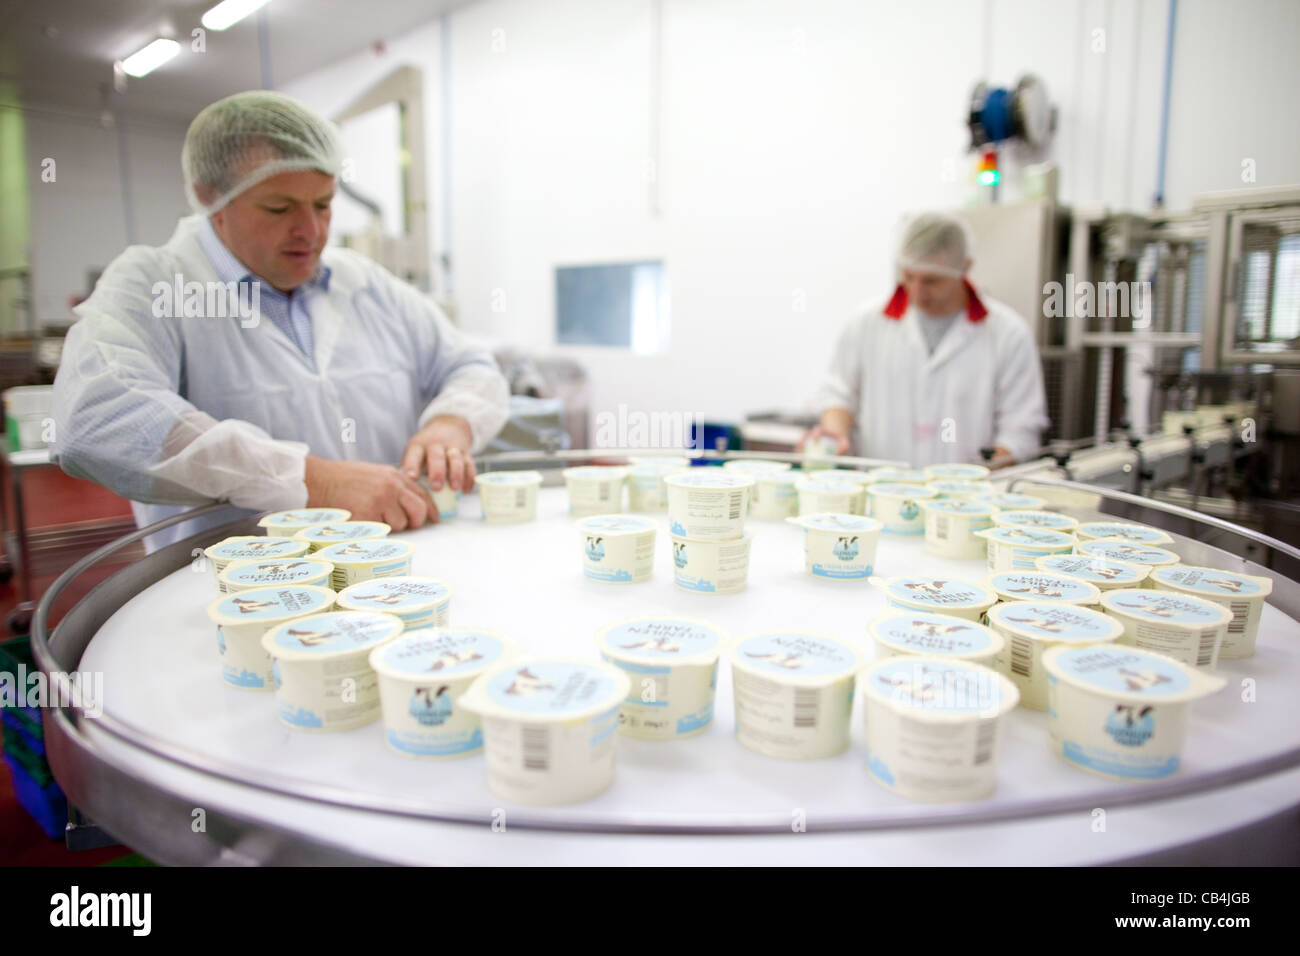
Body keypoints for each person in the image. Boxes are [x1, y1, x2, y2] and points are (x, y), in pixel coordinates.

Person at [51, 91, 509, 548]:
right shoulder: (157, 285)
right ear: (211, 199)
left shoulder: (366, 283)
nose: (311, 231)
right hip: (240, 588)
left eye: (324, 205)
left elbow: (470, 365)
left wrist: (451, 422)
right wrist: (315, 482)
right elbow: (100, 418)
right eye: (280, 208)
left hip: (393, 567)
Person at [802, 211, 1048, 468]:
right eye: (908, 276)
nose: (917, 291)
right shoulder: (865, 324)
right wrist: (834, 435)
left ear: (964, 268)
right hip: (879, 492)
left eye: (932, 281)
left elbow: (1021, 430)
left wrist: (971, 481)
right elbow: (837, 395)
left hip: (966, 502)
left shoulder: (1008, 334)